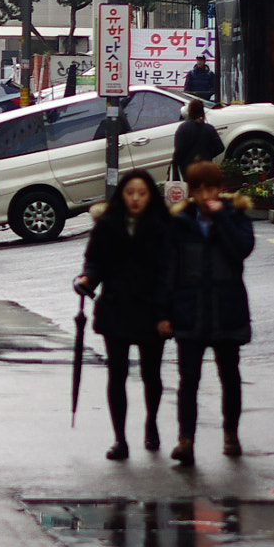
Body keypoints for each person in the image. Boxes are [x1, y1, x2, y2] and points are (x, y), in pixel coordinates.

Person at [162, 160, 255, 466]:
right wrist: (166, 313)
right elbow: (169, 272)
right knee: (188, 379)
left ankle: (232, 434)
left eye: (211, 188)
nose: (205, 195)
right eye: (199, 189)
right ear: (191, 192)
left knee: (230, 375)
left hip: (226, 308)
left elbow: (241, 249)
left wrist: (221, 220)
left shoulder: (236, 216)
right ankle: (185, 440)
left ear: (220, 189)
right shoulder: (180, 222)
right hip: (190, 311)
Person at [75, 169, 170, 460]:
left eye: (142, 193)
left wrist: (167, 314)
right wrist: (87, 280)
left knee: (151, 373)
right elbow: (94, 262)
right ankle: (120, 439)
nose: (136, 199)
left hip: (152, 309)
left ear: (150, 196)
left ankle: (151, 424)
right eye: (130, 193)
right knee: (116, 374)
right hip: (115, 307)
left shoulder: (162, 226)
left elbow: (170, 273)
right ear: (122, 195)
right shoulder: (107, 225)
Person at [171, 99, 225, 181]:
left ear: (189, 111)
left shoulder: (183, 128)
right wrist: (207, 154)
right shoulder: (209, 128)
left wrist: (175, 163)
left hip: (187, 169)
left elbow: (179, 149)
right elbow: (220, 147)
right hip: (205, 167)